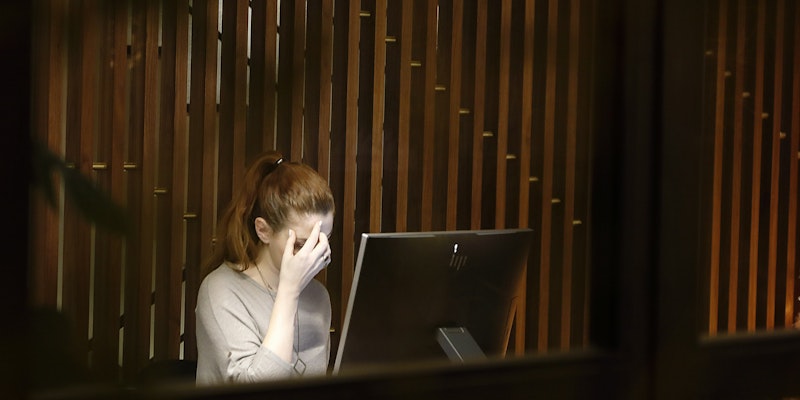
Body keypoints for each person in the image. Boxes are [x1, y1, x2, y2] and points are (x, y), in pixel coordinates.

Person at [195, 151, 334, 385]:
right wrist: (289, 292)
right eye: (302, 244)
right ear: (263, 231)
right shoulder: (220, 290)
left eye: (323, 241)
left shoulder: (318, 296)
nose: (316, 255)